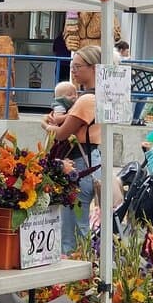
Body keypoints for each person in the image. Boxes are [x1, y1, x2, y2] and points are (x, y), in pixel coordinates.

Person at [41, 45, 102, 255]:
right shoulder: (101, 96)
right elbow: (71, 120)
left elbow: (61, 134)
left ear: (93, 68)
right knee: (81, 220)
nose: (73, 71)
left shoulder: (86, 99)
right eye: (72, 66)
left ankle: (80, 269)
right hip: (93, 157)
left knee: (73, 227)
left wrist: (46, 126)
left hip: (79, 162)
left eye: (77, 66)